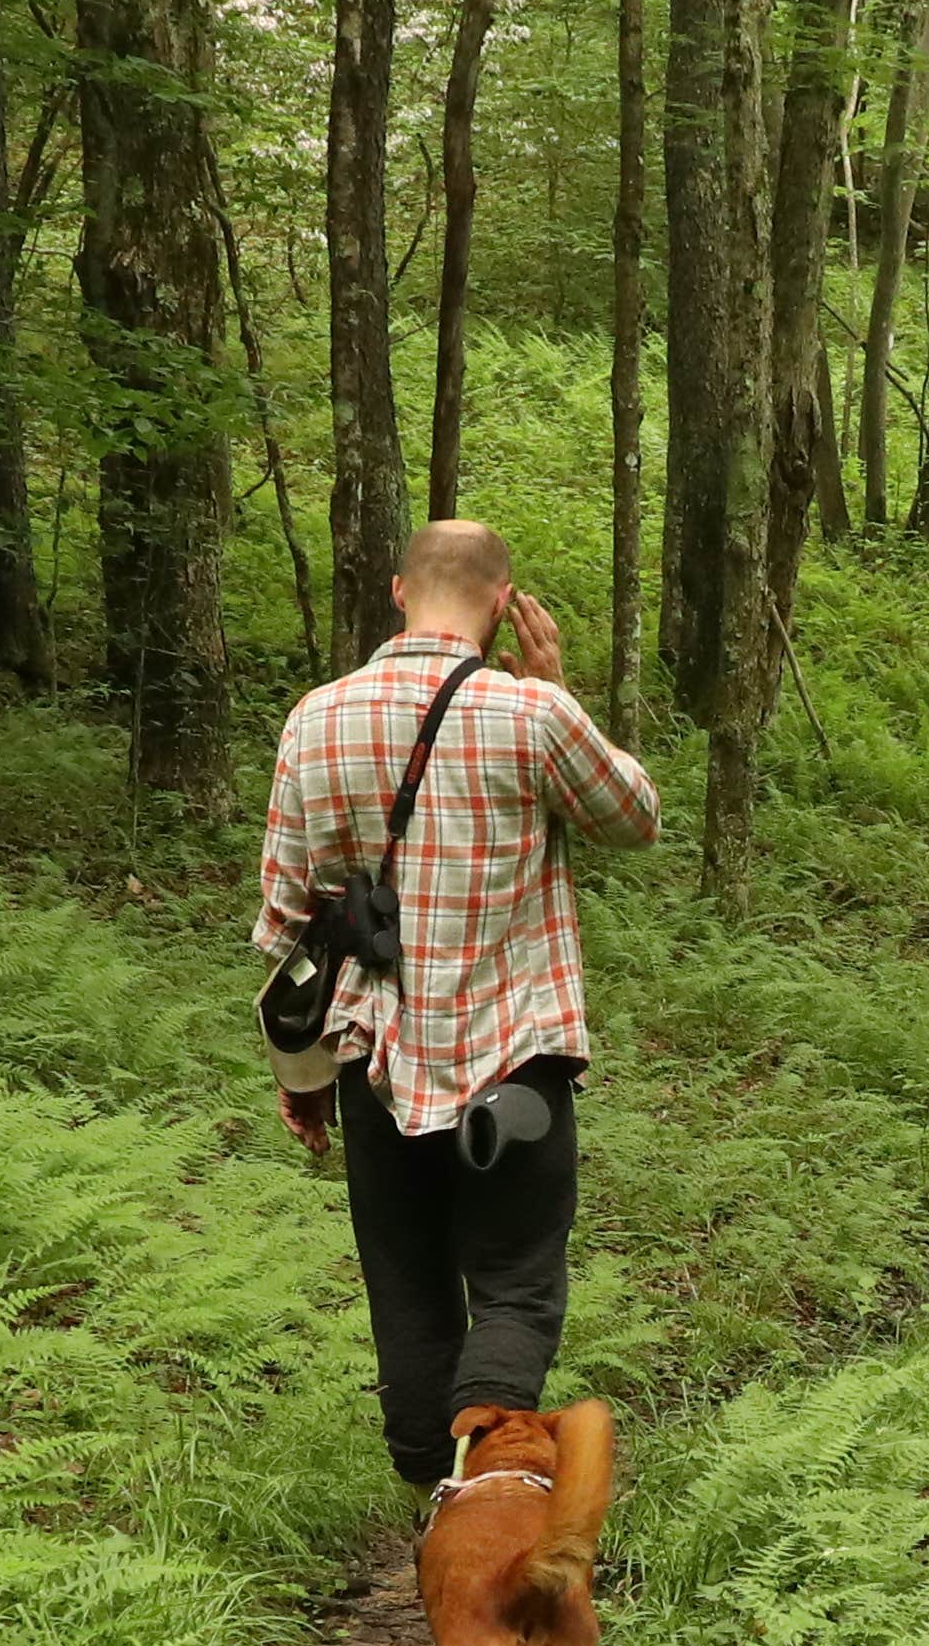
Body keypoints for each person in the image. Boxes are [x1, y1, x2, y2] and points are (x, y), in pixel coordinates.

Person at [253, 518, 662, 1503]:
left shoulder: (317, 718)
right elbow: (633, 816)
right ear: (500, 602)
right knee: (517, 1278)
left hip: (375, 1065)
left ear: (398, 591)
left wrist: (302, 1084)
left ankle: (430, 1503)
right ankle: (490, 1482)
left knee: (406, 1287)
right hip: (514, 1067)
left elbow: (287, 923)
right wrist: (557, 687)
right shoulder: (530, 714)